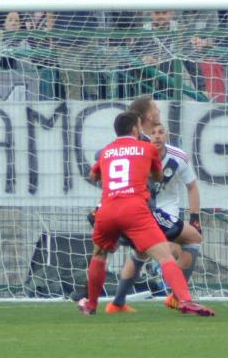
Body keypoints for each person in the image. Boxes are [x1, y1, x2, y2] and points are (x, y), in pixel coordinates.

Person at [78, 111, 214, 316]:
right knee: (165, 256)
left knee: (99, 255)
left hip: (106, 209)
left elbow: (93, 175)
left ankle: (91, 305)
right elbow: (158, 177)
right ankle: (185, 300)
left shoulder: (107, 151)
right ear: (135, 129)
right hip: (135, 210)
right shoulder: (146, 148)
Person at [106, 118, 203, 313]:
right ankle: (179, 296)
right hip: (143, 210)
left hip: (164, 211)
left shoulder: (178, 157)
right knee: (190, 240)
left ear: (167, 136)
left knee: (147, 251)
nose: (157, 136)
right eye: (153, 133)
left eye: (161, 132)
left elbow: (192, 186)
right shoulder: (139, 153)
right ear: (144, 135)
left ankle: (117, 302)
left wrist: (194, 217)